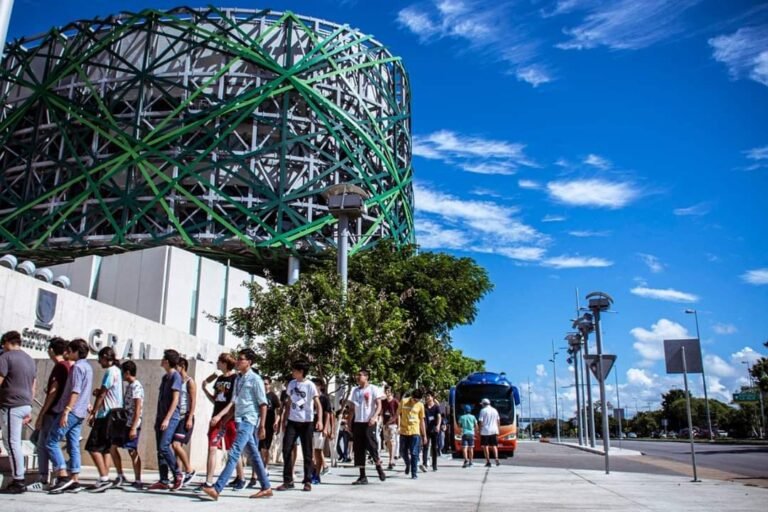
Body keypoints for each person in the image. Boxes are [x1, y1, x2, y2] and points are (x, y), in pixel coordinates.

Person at [201, 348, 272, 501]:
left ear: (249, 362)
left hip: (249, 421)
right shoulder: (239, 379)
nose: (238, 362)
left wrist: (262, 426)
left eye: (241, 359)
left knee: (233, 452)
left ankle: (217, 488)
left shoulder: (256, 380)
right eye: (238, 359)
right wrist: (225, 419)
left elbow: (263, 404)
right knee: (254, 455)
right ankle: (266, 487)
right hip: (238, 419)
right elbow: (234, 402)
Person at [47, 338, 94, 494]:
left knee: (52, 441)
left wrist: (66, 410)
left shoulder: (77, 368)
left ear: (75, 351)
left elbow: (76, 390)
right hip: (80, 413)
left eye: (70, 350)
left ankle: (62, 476)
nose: (68, 353)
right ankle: (74, 479)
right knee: (73, 445)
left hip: (72, 411)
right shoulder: (88, 367)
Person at [0, 330, 37, 494]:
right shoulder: (29, 359)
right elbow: (33, 385)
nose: (3, 347)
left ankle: (18, 480)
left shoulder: (6, 357)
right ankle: (18, 478)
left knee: (11, 443)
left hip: (11, 405)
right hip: (25, 404)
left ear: (7, 342)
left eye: (3, 344)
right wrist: (29, 406)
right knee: (14, 442)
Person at [198, 353, 241, 491]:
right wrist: (204, 388)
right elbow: (216, 399)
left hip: (229, 419)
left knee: (232, 450)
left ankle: (241, 477)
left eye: (219, 361)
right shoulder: (219, 379)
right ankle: (208, 481)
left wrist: (223, 417)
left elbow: (233, 402)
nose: (217, 363)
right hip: (216, 418)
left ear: (224, 363)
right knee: (212, 447)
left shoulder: (235, 379)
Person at [278, 360, 321, 492]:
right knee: (286, 449)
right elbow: (289, 402)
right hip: (292, 421)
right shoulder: (291, 384)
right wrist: (284, 420)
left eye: (294, 370)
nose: (292, 373)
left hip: (306, 422)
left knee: (307, 452)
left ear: (301, 372)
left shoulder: (310, 385)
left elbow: (318, 405)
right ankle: (288, 480)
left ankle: (307, 481)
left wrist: (319, 421)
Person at [34, 337, 71, 488]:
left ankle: (44, 478)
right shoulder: (70, 366)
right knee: (53, 443)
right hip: (64, 411)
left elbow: (53, 392)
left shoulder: (59, 367)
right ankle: (58, 475)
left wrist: (41, 414)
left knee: (43, 443)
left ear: (51, 350)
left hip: (54, 410)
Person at [85, 346, 123, 493]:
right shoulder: (118, 372)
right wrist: (99, 392)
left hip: (105, 414)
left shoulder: (110, 371)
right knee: (105, 448)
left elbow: (103, 394)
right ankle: (104, 477)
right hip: (114, 414)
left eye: (100, 359)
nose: (99, 362)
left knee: (92, 447)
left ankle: (104, 478)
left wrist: (93, 412)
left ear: (106, 358)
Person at [148, 349, 184, 490]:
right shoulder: (165, 378)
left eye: (163, 359)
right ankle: (163, 480)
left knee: (164, 446)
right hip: (161, 417)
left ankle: (178, 474)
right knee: (160, 449)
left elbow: (175, 400)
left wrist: (167, 419)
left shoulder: (176, 377)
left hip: (171, 418)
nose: (161, 361)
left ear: (167, 361)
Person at [348, 369, 386, 485]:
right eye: (357, 375)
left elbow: (379, 405)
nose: (358, 377)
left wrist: (374, 417)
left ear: (366, 377)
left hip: (369, 422)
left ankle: (378, 466)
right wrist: (350, 422)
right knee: (359, 448)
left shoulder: (373, 389)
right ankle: (362, 476)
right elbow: (353, 408)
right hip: (358, 422)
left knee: (372, 445)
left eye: (360, 375)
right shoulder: (355, 391)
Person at [110, 360, 144, 489]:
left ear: (128, 373)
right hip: (124, 423)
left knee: (132, 451)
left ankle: (138, 479)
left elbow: (137, 408)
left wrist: (134, 427)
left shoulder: (136, 386)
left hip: (132, 424)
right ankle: (120, 475)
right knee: (113, 447)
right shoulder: (129, 386)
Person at [172, 357, 196, 486]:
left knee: (176, 444)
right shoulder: (176, 381)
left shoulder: (189, 382)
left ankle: (189, 470)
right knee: (176, 447)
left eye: (176, 367)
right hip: (176, 416)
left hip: (185, 416)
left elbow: (193, 401)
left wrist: (190, 417)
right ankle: (178, 473)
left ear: (182, 366)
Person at [397, 388, 426, 479]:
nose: (415, 401)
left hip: (415, 432)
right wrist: (396, 425)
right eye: (415, 399)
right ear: (412, 397)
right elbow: (398, 414)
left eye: (418, 400)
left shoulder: (420, 405)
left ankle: (414, 473)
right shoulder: (404, 401)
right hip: (404, 431)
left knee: (414, 452)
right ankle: (407, 463)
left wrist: (424, 435)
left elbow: (422, 421)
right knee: (402, 451)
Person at [310, 378, 333, 484]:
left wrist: (326, 428)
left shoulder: (324, 398)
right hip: (309, 427)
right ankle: (311, 472)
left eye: (316, 385)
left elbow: (328, 414)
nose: (314, 386)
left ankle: (317, 475)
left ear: (320, 386)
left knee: (318, 452)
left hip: (319, 429)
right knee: (309, 453)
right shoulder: (309, 397)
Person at [256, 376, 281, 471]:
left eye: (266, 384)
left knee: (265, 447)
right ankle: (259, 468)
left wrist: (277, 421)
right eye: (262, 384)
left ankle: (265, 467)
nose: (264, 386)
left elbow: (279, 411)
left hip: (268, 425)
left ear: (269, 385)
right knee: (258, 447)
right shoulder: (258, 395)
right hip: (258, 423)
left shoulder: (273, 396)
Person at [421, 391, 441, 472]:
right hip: (426, 430)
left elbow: (439, 416)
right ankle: (425, 464)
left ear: (432, 397)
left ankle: (434, 465)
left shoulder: (436, 407)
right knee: (425, 447)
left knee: (434, 448)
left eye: (429, 396)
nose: (427, 398)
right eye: (426, 396)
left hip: (434, 429)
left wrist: (438, 425)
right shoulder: (424, 407)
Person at [478, 398, 500, 467]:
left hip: (485, 431)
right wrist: (498, 429)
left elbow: (481, 421)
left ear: (484, 404)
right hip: (494, 430)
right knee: (494, 445)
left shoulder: (483, 411)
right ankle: (496, 459)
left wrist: (479, 429)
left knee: (486, 446)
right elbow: (498, 421)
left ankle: (488, 461)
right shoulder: (495, 410)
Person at [381, 385, 399, 470]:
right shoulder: (383, 402)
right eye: (386, 391)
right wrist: (381, 423)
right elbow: (381, 412)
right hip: (385, 424)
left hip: (393, 424)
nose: (387, 392)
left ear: (391, 392)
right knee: (387, 442)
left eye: (388, 391)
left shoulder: (395, 402)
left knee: (392, 441)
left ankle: (391, 460)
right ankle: (391, 457)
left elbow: (398, 414)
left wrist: (399, 425)